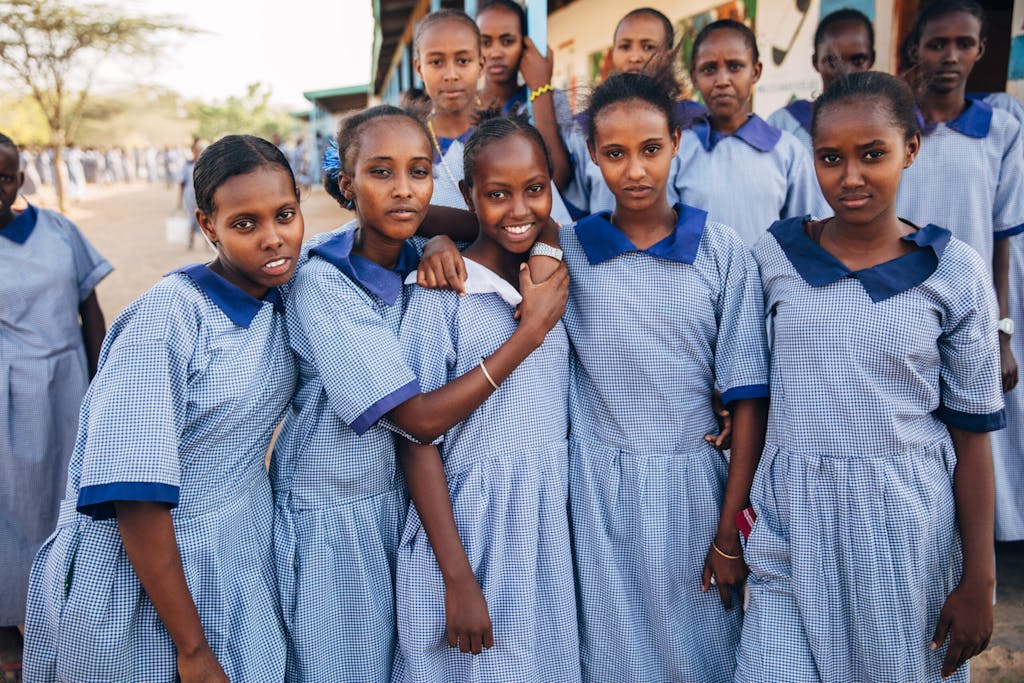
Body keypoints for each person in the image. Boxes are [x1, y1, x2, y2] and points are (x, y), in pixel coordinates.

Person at [271, 105, 569, 681]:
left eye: (418, 172)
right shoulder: (322, 282)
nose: (404, 191)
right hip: (337, 513)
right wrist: (529, 333)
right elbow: (419, 424)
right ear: (345, 185)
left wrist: (437, 236)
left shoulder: (419, 253)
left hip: (404, 507)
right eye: (381, 173)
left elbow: (519, 213)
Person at [735, 70, 1002, 683]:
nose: (850, 177)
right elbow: (748, 377)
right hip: (789, 522)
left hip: (903, 525)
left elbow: (971, 438)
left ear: (910, 148)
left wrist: (979, 581)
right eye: (831, 158)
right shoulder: (775, 254)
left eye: (872, 154)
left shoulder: (953, 271)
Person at [23, 135, 303, 682]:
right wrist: (192, 648)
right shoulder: (166, 322)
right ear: (207, 226)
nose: (273, 239)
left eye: (285, 215)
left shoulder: (283, 295)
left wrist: (436, 244)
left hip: (236, 557)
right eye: (245, 224)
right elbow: (134, 495)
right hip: (148, 581)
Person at [563, 72, 769, 682]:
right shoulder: (568, 249)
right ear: (593, 155)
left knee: (702, 652)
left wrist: (731, 533)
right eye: (615, 153)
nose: (634, 170)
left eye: (650, 148)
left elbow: (748, 396)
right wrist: (438, 236)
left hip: (696, 489)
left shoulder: (721, 251)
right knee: (612, 653)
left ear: (676, 141)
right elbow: (488, 220)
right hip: (596, 488)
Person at [392, 114, 578, 682]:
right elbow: (415, 438)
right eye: (497, 194)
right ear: (469, 195)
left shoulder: (554, 275)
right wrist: (457, 576)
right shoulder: (439, 290)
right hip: (466, 524)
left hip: (544, 524)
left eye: (534, 190)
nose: (518, 209)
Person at [897, 0, 1024, 542]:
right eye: (936, 44)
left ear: (980, 51)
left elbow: (1003, 242)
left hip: (972, 307)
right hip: (899, 300)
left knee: (973, 430)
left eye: (963, 44)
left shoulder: (1000, 130)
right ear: (915, 51)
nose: (949, 57)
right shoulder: (896, 126)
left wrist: (1002, 333)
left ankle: (981, 551)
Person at [0, 132, 110, 657]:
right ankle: (11, 626)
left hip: (67, 383)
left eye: (3, 176)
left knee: (68, 499)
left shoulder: (59, 231)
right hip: (5, 394)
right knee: (10, 506)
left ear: (19, 179)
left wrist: (100, 385)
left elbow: (89, 308)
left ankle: (68, 617)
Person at [673, 19, 826, 247]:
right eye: (709, 69)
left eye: (735, 66)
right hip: (697, 282)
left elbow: (808, 231)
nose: (722, 81)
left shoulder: (786, 150)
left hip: (767, 281)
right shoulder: (679, 150)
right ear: (695, 77)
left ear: (755, 71)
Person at [413, 8, 573, 224]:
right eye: (436, 62)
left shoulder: (507, 132)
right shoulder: (412, 141)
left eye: (462, 61)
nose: (451, 75)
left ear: (481, 65)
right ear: (419, 68)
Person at [562, 7, 707, 218]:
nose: (635, 57)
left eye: (648, 46)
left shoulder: (694, 122)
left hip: (675, 246)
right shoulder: (588, 126)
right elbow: (578, 202)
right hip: (603, 247)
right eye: (625, 46)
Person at [476, 0, 574, 190]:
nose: (496, 53)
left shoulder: (551, 100)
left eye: (507, 41)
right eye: (485, 42)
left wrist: (540, 88)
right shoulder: (464, 107)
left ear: (525, 43)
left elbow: (558, 178)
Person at [766, 8, 876, 149]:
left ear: (872, 59)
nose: (846, 72)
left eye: (858, 61)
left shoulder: (888, 126)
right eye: (832, 61)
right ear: (815, 62)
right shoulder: (784, 125)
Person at [177, 138, 207, 250]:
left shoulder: (205, 166)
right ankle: (190, 241)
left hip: (203, 197)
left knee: (206, 219)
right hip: (189, 197)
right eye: (195, 150)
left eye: (199, 150)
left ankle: (208, 243)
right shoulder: (187, 165)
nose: (197, 152)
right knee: (191, 219)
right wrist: (179, 201)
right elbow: (182, 183)